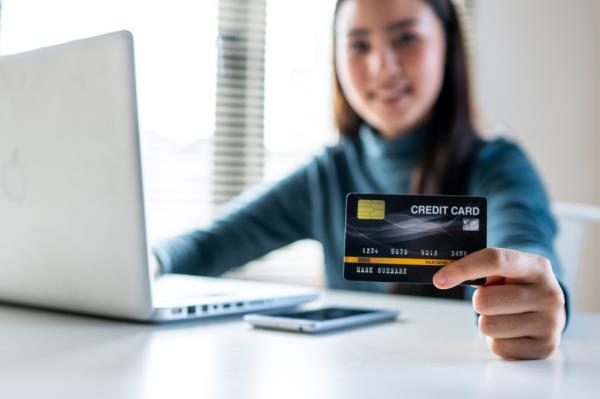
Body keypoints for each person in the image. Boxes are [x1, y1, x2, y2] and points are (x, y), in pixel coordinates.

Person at [153, 0, 568, 360]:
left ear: (449, 47)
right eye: (358, 45)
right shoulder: (326, 175)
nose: (381, 67)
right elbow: (206, 245)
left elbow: (525, 247)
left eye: (406, 38)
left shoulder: (499, 166)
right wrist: (147, 262)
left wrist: (533, 297)